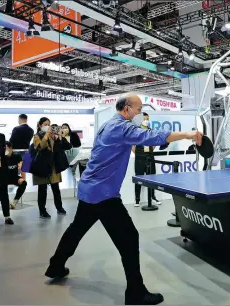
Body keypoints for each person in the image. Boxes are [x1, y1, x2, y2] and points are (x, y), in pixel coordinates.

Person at [45, 94, 203, 305]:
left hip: (89, 190)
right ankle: (136, 293)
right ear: (127, 108)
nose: (140, 113)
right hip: (104, 195)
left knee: (76, 229)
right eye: (138, 109)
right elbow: (153, 137)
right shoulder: (122, 128)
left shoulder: (109, 125)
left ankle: (55, 266)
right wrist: (188, 134)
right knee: (129, 238)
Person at [32, 119, 72, 219]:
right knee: (42, 189)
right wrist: (46, 136)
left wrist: (60, 137)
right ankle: (42, 211)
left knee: (56, 188)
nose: (48, 126)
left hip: (54, 166)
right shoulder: (37, 136)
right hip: (42, 166)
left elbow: (68, 146)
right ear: (40, 125)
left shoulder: (55, 136)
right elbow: (40, 146)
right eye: (45, 124)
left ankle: (59, 207)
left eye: (49, 124)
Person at [132, 112, 162, 207]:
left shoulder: (151, 131)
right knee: (139, 178)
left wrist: (150, 150)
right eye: (144, 119)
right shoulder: (136, 131)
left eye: (147, 119)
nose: (146, 121)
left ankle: (153, 196)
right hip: (140, 158)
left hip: (150, 157)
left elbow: (154, 143)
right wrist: (138, 153)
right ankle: (137, 199)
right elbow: (131, 145)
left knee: (152, 178)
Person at [0, 141, 27, 209]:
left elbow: (21, 167)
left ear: (11, 148)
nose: (4, 150)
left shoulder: (17, 156)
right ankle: (5, 202)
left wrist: (23, 178)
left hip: (14, 177)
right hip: (3, 178)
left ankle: (15, 201)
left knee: (24, 183)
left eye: (6, 148)